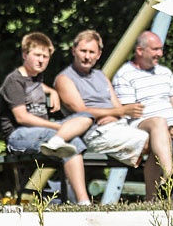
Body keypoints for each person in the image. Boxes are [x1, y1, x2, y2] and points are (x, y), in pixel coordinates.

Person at [0, 32, 94, 205]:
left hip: (43, 133)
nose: (41, 60)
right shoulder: (14, 81)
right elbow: (22, 117)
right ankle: (83, 201)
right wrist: (56, 128)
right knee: (72, 140)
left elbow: (36, 85)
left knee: (86, 116)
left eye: (45, 57)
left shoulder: (35, 78)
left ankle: (80, 199)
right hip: (18, 136)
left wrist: (52, 91)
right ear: (25, 55)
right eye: (37, 55)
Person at [55, 29, 149, 172]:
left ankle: (163, 184)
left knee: (161, 131)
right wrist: (118, 111)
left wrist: (115, 114)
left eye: (91, 52)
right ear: (74, 51)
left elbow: (117, 107)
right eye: (83, 51)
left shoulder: (100, 76)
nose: (87, 57)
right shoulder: (65, 79)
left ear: (98, 55)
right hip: (94, 132)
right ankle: (168, 179)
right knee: (153, 142)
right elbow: (82, 112)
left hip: (117, 125)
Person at [111, 31, 173, 201]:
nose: (160, 54)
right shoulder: (124, 75)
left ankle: (151, 200)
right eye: (155, 49)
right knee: (159, 126)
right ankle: (169, 174)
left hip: (169, 132)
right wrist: (166, 129)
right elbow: (130, 112)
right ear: (139, 50)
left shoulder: (165, 73)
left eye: (160, 49)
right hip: (139, 128)